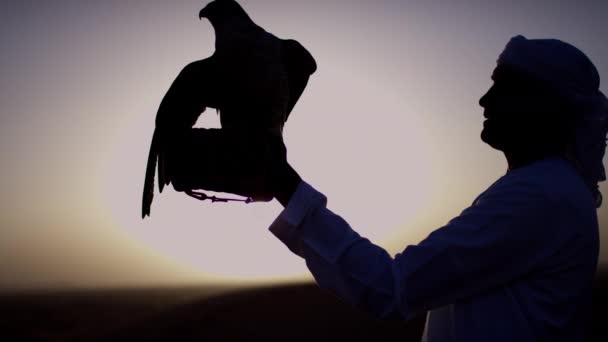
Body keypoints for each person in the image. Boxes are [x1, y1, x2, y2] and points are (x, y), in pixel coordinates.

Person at [267, 36, 608, 341]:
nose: (484, 100)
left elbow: (393, 287)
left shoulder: (542, 194)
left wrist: (282, 183)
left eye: (504, 87)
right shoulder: (549, 187)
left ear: (545, 105)